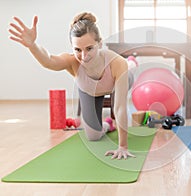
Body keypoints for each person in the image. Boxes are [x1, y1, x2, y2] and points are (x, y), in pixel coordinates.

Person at [8, 12, 136, 160]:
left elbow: (119, 107)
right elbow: (49, 60)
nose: (83, 56)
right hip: (91, 92)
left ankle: (132, 63)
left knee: (128, 70)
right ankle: (108, 125)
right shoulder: (72, 62)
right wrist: (32, 46)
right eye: (78, 50)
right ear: (72, 47)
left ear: (100, 43)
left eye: (89, 48)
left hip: (118, 81)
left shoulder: (116, 63)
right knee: (93, 136)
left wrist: (123, 146)